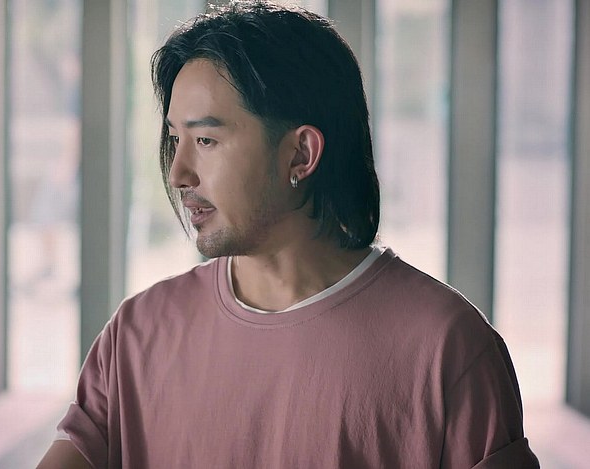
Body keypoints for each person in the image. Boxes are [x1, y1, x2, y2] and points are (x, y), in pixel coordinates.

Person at [38, 1, 539, 467]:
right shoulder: (136, 335)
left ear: (301, 153)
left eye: (206, 140)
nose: (178, 173)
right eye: (176, 139)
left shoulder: (448, 348)